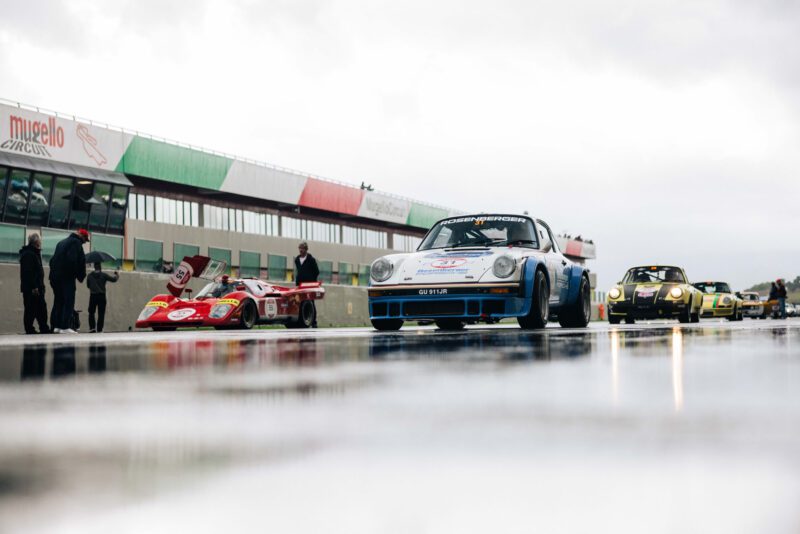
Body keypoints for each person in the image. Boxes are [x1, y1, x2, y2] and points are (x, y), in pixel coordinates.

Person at [49, 229, 89, 334]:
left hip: (55, 277)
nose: (84, 242)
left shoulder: (61, 243)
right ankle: (65, 326)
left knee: (58, 301)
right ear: (81, 235)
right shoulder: (76, 243)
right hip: (66, 277)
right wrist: (79, 275)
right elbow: (72, 260)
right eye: (85, 239)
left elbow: (52, 260)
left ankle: (56, 326)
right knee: (69, 301)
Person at [19, 233, 50, 334]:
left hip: (35, 287)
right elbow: (29, 273)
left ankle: (42, 327)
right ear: (36, 242)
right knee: (32, 308)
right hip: (33, 288)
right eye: (40, 240)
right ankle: (32, 328)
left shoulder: (33, 253)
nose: (41, 242)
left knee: (37, 308)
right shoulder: (29, 254)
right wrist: (34, 287)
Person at [86, 262, 119, 333]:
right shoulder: (104, 275)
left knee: (91, 312)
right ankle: (99, 329)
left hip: (93, 296)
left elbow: (88, 286)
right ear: (100, 267)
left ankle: (92, 328)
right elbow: (114, 280)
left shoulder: (89, 276)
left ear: (94, 267)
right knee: (101, 313)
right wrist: (117, 275)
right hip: (101, 296)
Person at [294, 241, 320, 327]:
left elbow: (316, 271)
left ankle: (314, 322)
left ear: (306, 249)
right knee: (300, 302)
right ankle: (302, 321)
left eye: (302, 248)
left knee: (310, 302)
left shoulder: (311, 259)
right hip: (300, 284)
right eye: (300, 248)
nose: (301, 250)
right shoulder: (297, 260)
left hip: (309, 284)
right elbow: (298, 271)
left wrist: (312, 281)